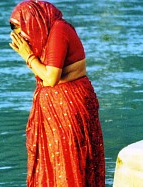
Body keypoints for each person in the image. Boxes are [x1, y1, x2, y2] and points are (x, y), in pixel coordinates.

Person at [9, 1, 105, 186]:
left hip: (69, 107)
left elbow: (51, 77)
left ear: (33, 21)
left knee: (71, 163)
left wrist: (27, 55)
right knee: (54, 165)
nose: (23, 37)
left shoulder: (58, 30)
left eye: (22, 30)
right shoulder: (46, 33)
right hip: (55, 109)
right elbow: (46, 76)